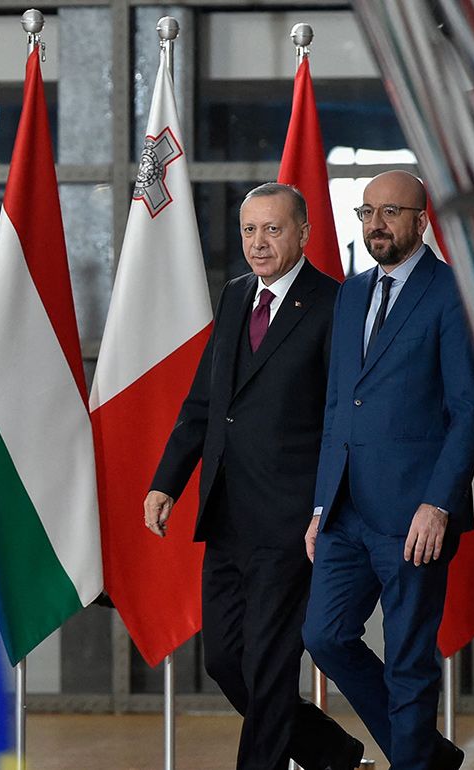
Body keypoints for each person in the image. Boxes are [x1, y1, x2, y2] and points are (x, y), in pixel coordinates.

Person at [146, 183, 364, 770]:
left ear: (303, 233)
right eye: (249, 230)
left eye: (273, 229)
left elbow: (340, 415)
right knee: (226, 660)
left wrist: (326, 507)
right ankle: (330, 750)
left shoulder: (334, 304)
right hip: (227, 512)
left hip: (292, 519)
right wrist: (168, 480)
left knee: (268, 666)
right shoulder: (236, 295)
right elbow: (206, 402)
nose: (259, 242)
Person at [302, 171, 474, 770]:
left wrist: (439, 503)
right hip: (344, 510)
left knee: (409, 658)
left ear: (420, 218)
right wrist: (318, 505)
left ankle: (414, 763)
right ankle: (427, 757)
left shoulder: (453, 293)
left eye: (389, 212)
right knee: (324, 636)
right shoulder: (351, 293)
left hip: (414, 516)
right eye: (366, 213)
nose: (375, 224)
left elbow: (470, 411)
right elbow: (338, 402)